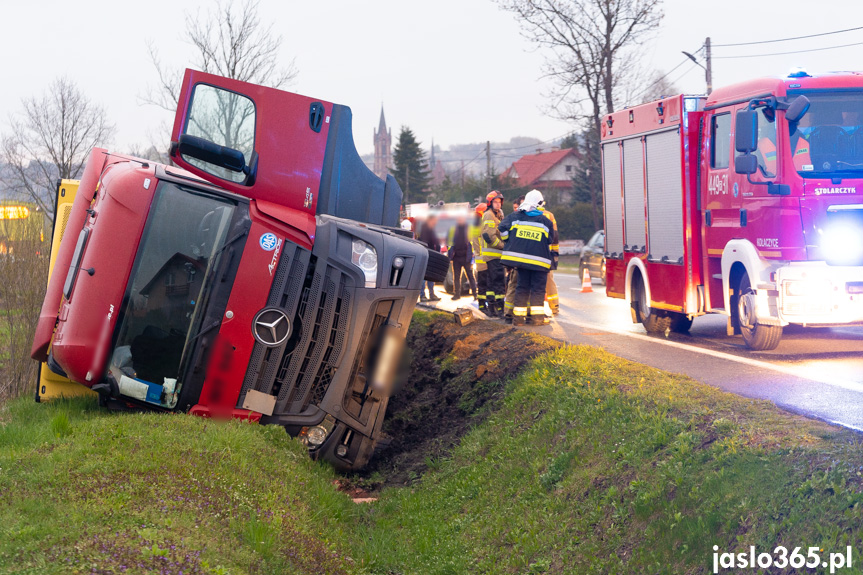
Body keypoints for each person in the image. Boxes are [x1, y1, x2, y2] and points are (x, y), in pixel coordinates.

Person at [498, 190, 557, 326]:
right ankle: (537, 319)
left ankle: (518, 320)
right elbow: (549, 240)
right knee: (537, 290)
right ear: (539, 204)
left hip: (522, 263)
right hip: (540, 263)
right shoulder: (546, 222)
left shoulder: (515, 217)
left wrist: (509, 239)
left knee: (522, 288)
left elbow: (502, 227)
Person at [480, 191, 506, 317]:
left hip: (494, 255)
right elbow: (489, 235)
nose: (498, 204)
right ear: (490, 203)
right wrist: (503, 246)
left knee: (491, 282)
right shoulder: (489, 215)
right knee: (499, 282)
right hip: (494, 254)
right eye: (495, 202)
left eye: (499, 202)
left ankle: (492, 308)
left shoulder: (498, 215)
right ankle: (500, 308)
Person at [503, 195, 525, 323]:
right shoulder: (516, 218)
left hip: (518, 258)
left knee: (515, 285)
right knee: (514, 285)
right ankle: (509, 314)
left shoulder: (515, 218)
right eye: (516, 207)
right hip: (516, 258)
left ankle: (511, 313)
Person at [447, 212, 477, 301]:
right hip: (456, 257)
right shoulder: (453, 229)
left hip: (466, 257)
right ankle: (457, 294)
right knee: (456, 277)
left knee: (470, 276)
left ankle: (475, 294)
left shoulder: (469, 229)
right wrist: (450, 256)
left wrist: (472, 257)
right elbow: (449, 243)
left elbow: (472, 244)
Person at [539, 203, 560, 315]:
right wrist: (555, 254)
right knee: (549, 280)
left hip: (535, 254)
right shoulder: (549, 215)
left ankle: (537, 309)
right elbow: (555, 236)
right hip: (547, 254)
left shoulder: (527, 215)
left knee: (536, 282)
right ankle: (554, 306)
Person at [418, 213, 441, 302]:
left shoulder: (433, 229)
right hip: (426, 255)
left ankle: (432, 294)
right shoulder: (424, 230)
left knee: (431, 276)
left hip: (433, 256)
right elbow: (424, 243)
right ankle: (422, 295)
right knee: (424, 276)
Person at [471, 203, 487, 305]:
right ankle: (485, 303)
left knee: (481, 283)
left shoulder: (474, 225)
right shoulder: (482, 225)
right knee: (487, 283)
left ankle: (481, 303)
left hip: (479, 258)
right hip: (485, 258)